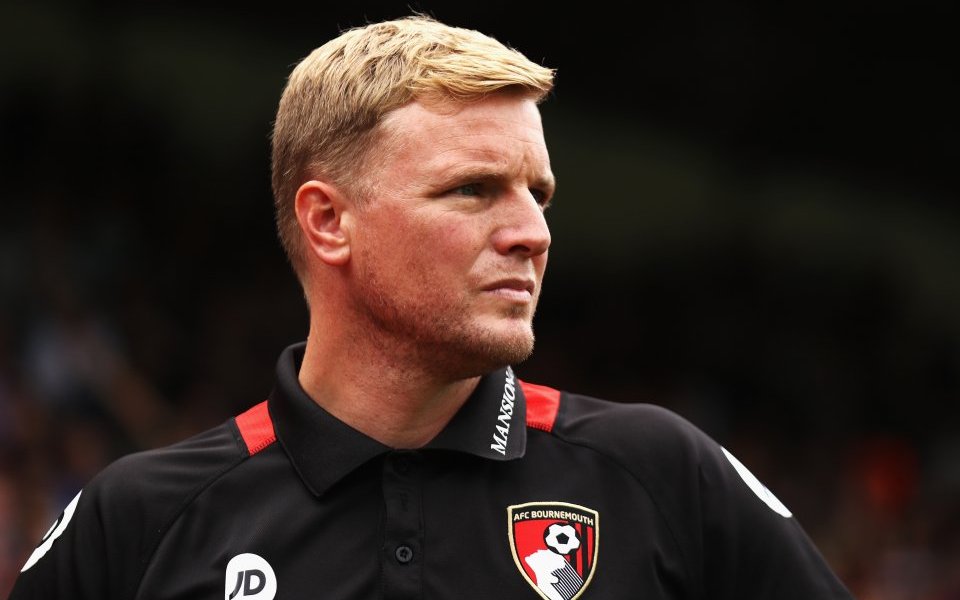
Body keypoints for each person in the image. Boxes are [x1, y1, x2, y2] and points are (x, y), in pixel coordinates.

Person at [11, 15, 853, 600]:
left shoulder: (662, 475)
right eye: (474, 190)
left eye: (539, 193)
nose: (532, 232)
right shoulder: (141, 519)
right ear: (328, 220)